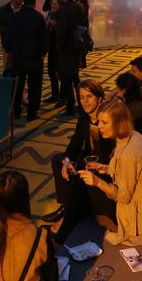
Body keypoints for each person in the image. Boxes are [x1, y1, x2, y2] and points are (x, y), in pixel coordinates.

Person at [78, 99, 142, 246]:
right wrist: (106, 168)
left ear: (118, 123)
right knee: (88, 188)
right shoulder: (134, 135)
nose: (99, 126)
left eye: (104, 122)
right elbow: (133, 171)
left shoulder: (127, 154)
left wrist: (97, 182)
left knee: (87, 190)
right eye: (99, 122)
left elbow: (123, 197)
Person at [43, 80, 114, 228]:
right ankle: (65, 206)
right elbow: (75, 143)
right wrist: (67, 161)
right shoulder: (84, 117)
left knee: (82, 169)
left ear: (99, 98)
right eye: (82, 97)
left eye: (89, 96)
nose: (85, 101)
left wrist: (94, 164)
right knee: (58, 160)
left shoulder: (108, 119)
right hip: (88, 158)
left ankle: (73, 210)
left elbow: (112, 153)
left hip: (105, 165)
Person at [6, 0, 47, 121]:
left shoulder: (15, 17)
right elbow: (44, 40)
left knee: (17, 86)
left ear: (24, 1)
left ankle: (16, 111)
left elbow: (9, 38)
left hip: (17, 58)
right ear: (34, 2)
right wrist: (42, 54)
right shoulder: (39, 17)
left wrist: (10, 52)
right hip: (34, 58)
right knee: (34, 87)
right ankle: (32, 112)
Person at [56, 0, 86, 116]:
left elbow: (61, 32)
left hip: (66, 49)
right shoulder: (79, 6)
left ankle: (70, 107)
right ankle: (81, 104)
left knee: (66, 79)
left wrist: (59, 46)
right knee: (75, 77)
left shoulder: (64, 10)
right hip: (77, 47)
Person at [0, 0, 24, 75]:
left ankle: (17, 87)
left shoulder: (24, 10)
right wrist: (9, 31)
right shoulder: (3, 10)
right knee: (7, 68)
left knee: (19, 68)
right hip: (7, 44)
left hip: (21, 44)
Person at [45, 0, 61, 103]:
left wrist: (55, 26)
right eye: (52, 4)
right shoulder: (50, 14)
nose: (53, 6)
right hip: (51, 48)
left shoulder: (62, 16)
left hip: (59, 49)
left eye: (55, 4)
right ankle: (55, 94)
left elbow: (64, 32)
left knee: (61, 74)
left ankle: (63, 97)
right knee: (51, 72)